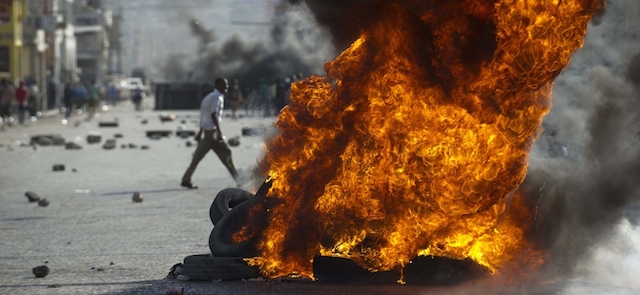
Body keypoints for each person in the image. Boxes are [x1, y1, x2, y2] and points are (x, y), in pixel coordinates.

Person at [181, 77, 240, 189]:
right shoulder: (217, 97)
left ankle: (186, 179)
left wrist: (200, 131)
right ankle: (239, 181)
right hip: (212, 134)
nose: (226, 87)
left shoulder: (209, 97)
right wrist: (219, 131)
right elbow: (213, 114)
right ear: (218, 85)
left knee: (197, 157)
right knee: (227, 154)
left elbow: (204, 116)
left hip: (208, 133)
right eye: (224, 85)